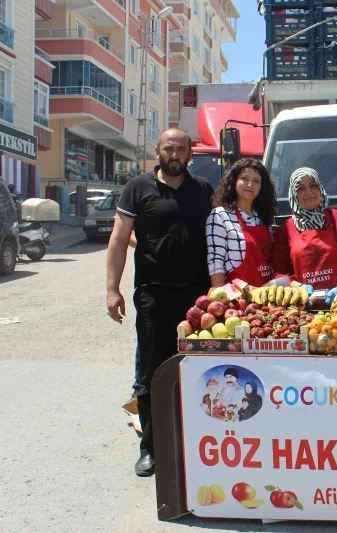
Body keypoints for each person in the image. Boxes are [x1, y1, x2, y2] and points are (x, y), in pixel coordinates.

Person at [106, 127, 213, 477]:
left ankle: (192, 444)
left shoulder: (203, 190)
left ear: (190, 154)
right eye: (169, 148)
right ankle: (150, 447)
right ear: (158, 151)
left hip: (198, 299)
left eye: (182, 149)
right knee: (153, 371)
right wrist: (112, 289)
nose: (175, 155)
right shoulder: (138, 187)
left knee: (196, 372)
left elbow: (219, 240)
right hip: (153, 293)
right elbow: (120, 239)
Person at [272, 167, 337, 305]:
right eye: (301, 188)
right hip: (301, 306)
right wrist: (300, 289)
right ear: (293, 194)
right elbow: (279, 274)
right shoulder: (285, 229)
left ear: (321, 188)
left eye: (313, 185)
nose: (309, 192)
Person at [206, 158, 278, 287]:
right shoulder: (220, 215)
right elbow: (216, 260)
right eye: (244, 178)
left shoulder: (262, 217)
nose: (250, 185)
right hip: (237, 299)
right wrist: (220, 298)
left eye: (256, 181)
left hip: (267, 295)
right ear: (234, 181)